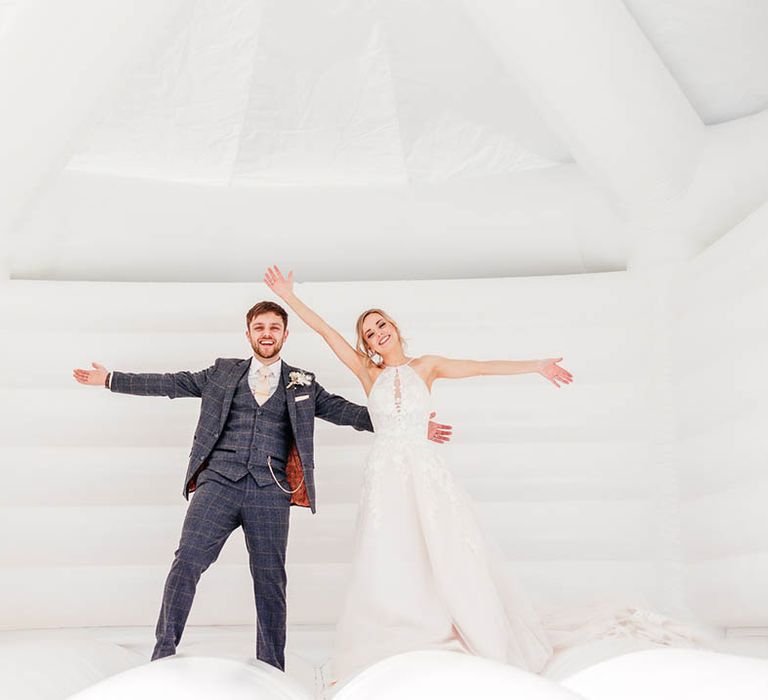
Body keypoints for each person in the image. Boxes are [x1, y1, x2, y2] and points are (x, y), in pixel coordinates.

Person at [72, 300, 451, 671]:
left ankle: (271, 669)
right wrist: (109, 379)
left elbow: (348, 412)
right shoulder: (221, 372)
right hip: (218, 482)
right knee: (186, 561)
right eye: (259, 327)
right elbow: (171, 382)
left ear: (285, 334)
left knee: (271, 579)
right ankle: (163, 653)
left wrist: (410, 425)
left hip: (270, 491)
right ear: (249, 333)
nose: (266, 334)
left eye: (274, 328)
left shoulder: (302, 382)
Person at [262, 266, 574, 686]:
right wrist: (289, 296)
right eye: (369, 334)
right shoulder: (367, 372)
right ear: (367, 346)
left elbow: (481, 367)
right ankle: (398, 634)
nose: (377, 334)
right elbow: (325, 332)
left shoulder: (427, 366)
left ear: (394, 327)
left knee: (442, 546)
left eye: (381, 325)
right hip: (385, 475)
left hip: (424, 473)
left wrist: (536, 365)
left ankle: (462, 625)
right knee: (391, 551)